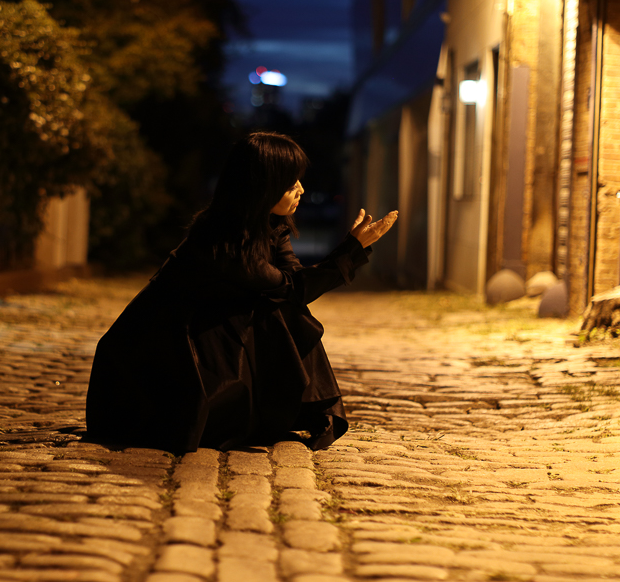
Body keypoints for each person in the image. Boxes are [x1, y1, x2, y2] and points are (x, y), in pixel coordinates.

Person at [85, 131, 397, 453]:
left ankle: (293, 410)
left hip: (207, 335)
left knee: (283, 308)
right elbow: (293, 289)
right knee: (278, 309)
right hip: (165, 355)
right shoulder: (227, 239)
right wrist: (352, 250)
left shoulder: (268, 224)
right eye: (291, 183)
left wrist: (350, 250)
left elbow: (292, 279)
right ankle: (259, 413)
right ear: (263, 185)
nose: (301, 189)